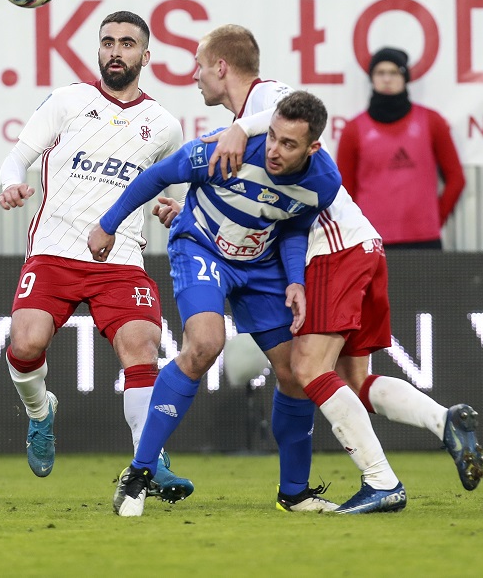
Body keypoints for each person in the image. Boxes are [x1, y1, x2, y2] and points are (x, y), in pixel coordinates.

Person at [196, 24, 483, 513]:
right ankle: (444, 421)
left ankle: (381, 481)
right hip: (361, 243)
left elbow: (297, 105)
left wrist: (242, 126)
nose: (195, 78)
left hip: (332, 249)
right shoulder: (249, 125)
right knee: (352, 382)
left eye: (199, 66)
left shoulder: (263, 98)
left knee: (308, 368)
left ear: (221, 67)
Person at [90, 90, 342, 518]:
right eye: (274, 137)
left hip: (260, 267)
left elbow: (296, 227)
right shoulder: (223, 150)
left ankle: (294, 494)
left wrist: (296, 281)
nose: (275, 151)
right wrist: (107, 224)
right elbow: (155, 177)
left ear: (314, 147)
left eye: (290, 144)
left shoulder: (323, 182)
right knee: (205, 344)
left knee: (296, 373)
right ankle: (139, 473)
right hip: (201, 249)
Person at [0, 10, 194, 502]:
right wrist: (11, 183)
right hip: (55, 251)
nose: (115, 51)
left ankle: (151, 463)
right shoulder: (68, 101)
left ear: (145, 56)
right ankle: (41, 413)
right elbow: (17, 155)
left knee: (142, 347)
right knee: (24, 343)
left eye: (127, 44)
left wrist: (175, 209)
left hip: (121, 259)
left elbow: (177, 192)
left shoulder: (164, 125)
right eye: (107, 42)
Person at [337, 48, 464, 249]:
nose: (387, 79)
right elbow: (343, 191)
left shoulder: (431, 122)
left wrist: (435, 218)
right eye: (380, 73)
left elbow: (456, 177)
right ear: (372, 78)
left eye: (394, 72)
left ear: (405, 77)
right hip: (370, 238)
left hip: (424, 239)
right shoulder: (354, 130)